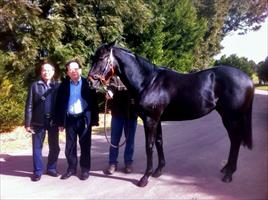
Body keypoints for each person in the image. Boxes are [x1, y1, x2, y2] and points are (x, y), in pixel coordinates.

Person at [56, 60, 99, 181]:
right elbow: (59, 104)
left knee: (85, 145)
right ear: (67, 72)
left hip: (84, 119)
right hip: (70, 119)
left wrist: (94, 120)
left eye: (76, 68)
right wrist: (60, 122)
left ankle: (85, 169)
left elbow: (94, 103)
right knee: (70, 146)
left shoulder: (88, 84)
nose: (74, 71)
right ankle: (71, 168)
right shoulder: (63, 85)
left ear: (80, 70)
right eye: (71, 69)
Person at [24, 61, 60, 182]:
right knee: (37, 147)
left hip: (53, 122)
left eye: (49, 70)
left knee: (54, 147)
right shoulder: (34, 85)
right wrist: (27, 123)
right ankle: (37, 172)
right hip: (38, 122)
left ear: (53, 72)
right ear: (41, 72)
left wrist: (61, 122)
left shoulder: (58, 86)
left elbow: (61, 106)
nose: (46, 72)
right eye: (44, 70)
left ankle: (51, 168)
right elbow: (29, 105)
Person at [105, 76, 138, 175]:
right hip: (117, 114)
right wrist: (110, 92)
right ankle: (112, 163)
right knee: (114, 140)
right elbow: (112, 86)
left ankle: (128, 163)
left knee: (130, 140)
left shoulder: (133, 76)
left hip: (131, 115)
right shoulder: (115, 77)